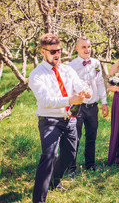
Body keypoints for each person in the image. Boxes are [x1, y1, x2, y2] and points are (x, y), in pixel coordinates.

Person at [29, 33, 91, 203]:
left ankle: (54, 180)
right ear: (43, 52)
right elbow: (45, 101)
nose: (57, 54)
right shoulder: (37, 75)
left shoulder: (67, 69)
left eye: (59, 50)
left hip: (70, 119)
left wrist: (86, 91)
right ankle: (38, 200)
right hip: (49, 120)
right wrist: (70, 99)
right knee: (49, 156)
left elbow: (80, 85)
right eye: (53, 51)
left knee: (70, 154)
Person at [67, 36, 108, 174]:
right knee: (75, 137)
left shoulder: (96, 63)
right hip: (78, 107)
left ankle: (90, 164)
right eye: (83, 47)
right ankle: (71, 167)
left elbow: (100, 82)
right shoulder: (71, 66)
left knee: (91, 136)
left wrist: (104, 102)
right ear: (77, 48)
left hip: (92, 107)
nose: (87, 49)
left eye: (89, 46)